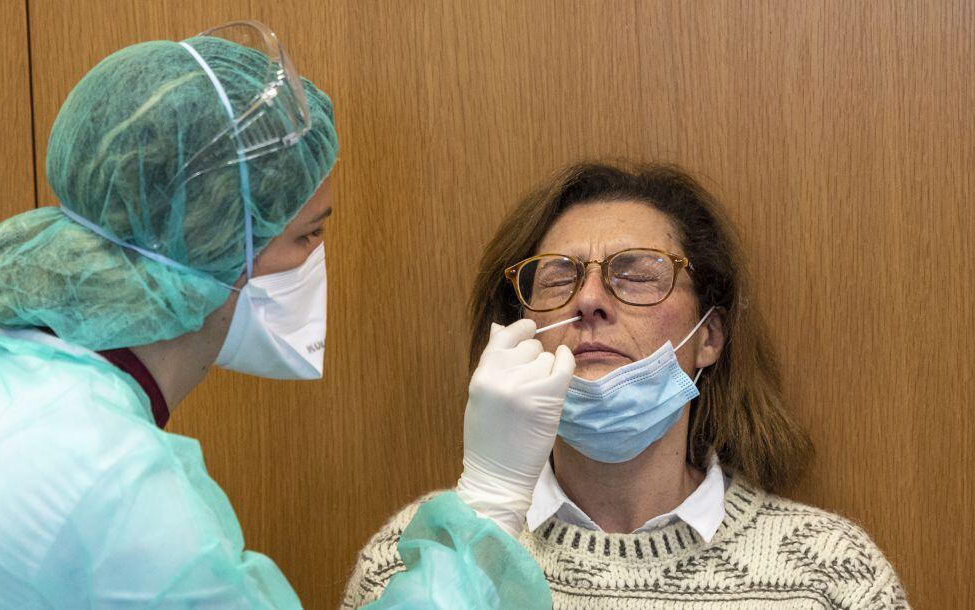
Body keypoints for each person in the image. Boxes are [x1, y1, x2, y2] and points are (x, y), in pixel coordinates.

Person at [0, 21, 572, 608]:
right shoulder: (121, 493)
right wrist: (490, 499)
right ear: (215, 251)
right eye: (307, 235)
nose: (317, 263)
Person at [344, 162, 910, 609]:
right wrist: (486, 512)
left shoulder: (830, 573)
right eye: (559, 276)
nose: (589, 301)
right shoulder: (413, 558)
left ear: (708, 336)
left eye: (637, 275)